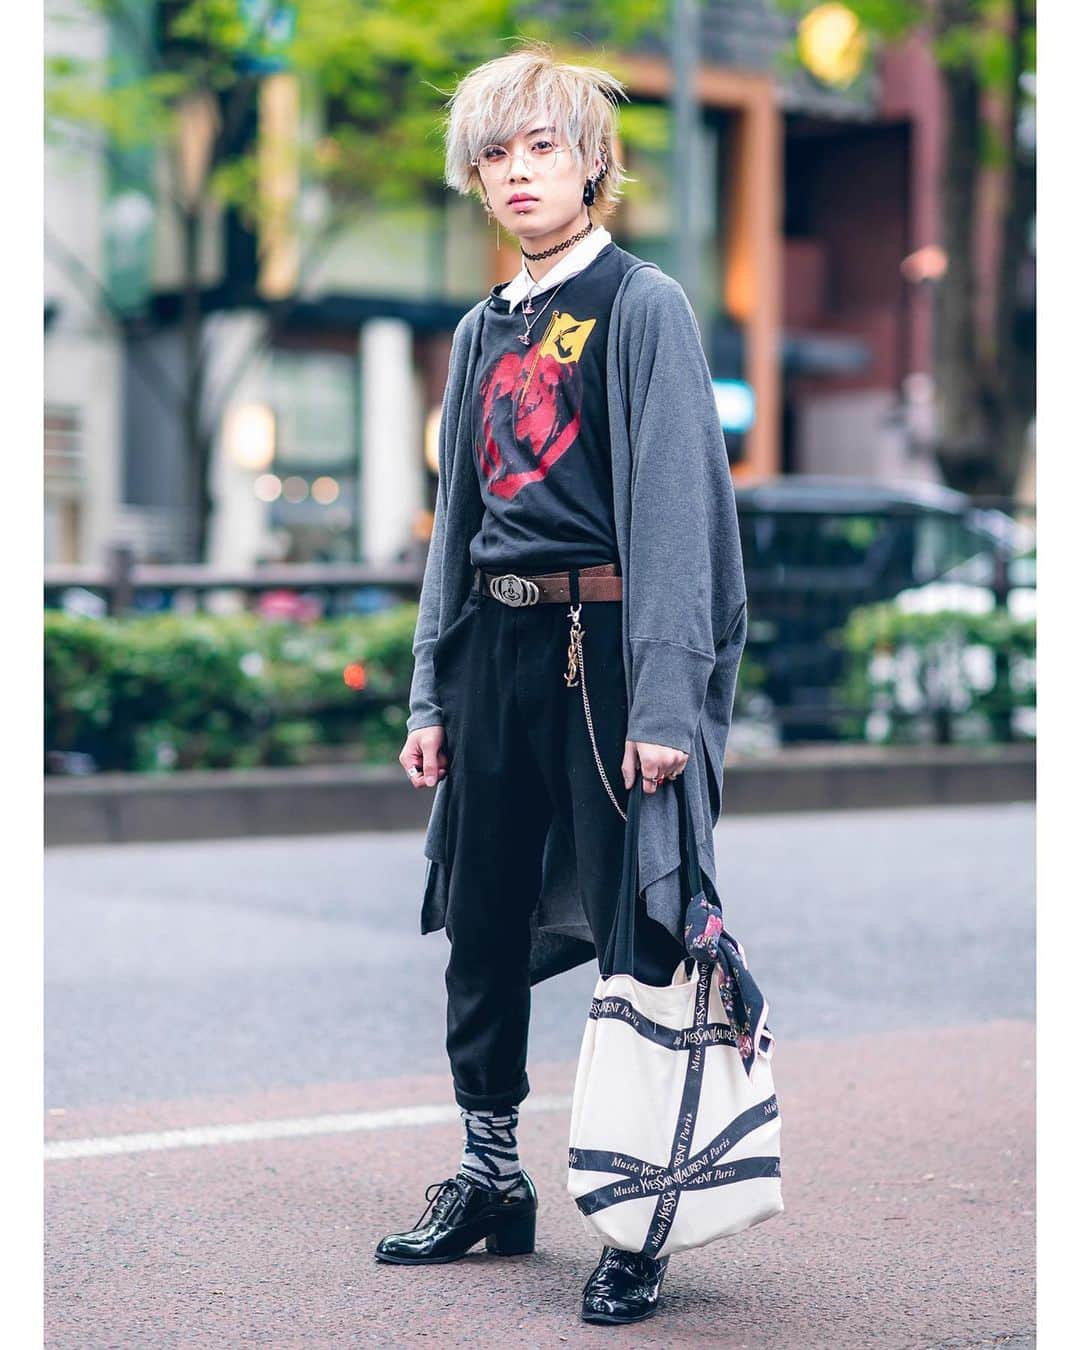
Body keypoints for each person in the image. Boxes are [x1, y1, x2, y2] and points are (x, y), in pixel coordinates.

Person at [374, 41, 748, 1327]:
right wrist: (431, 692)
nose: (518, 172)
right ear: (476, 181)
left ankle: (642, 1212)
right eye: (495, 154)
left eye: (542, 147)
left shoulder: (645, 306)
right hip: (498, 653)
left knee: (637, 932)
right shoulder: (486, 326)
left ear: (594, 162)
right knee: (478, 926)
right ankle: (491, 1175)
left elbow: (680, 519)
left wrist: (665, 705)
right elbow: (455, 522)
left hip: (608, 655)